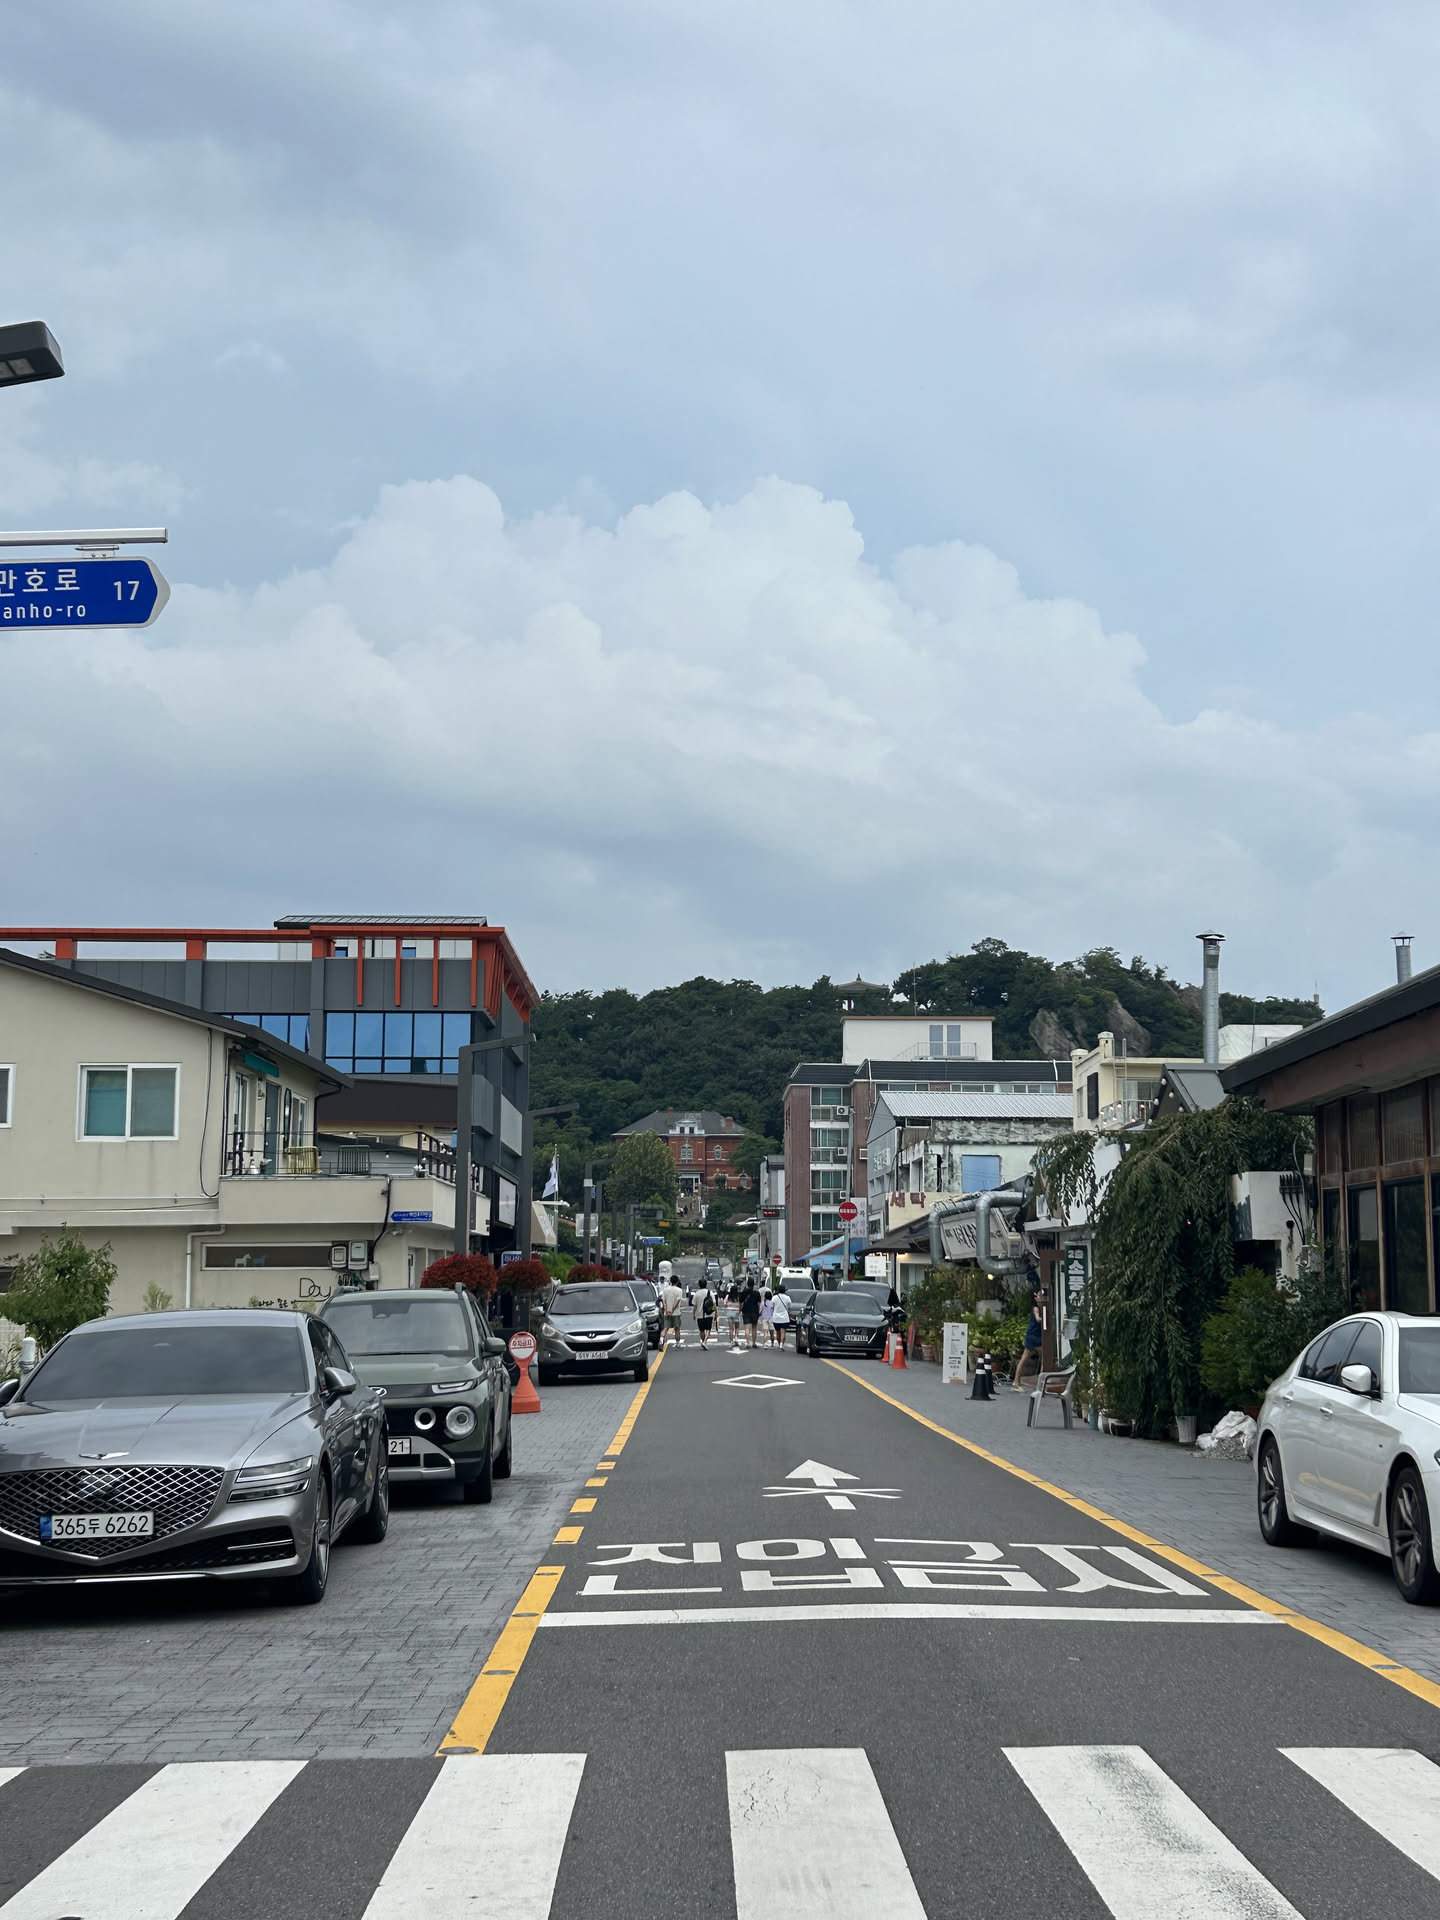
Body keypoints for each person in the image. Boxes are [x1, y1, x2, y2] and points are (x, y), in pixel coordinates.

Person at [1012, 1288, 1045, 1391]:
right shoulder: (1036, 1308)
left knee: (1025, 1358)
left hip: (1035, 1336)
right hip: (1033, 1337)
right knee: (1045, 1355)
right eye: (1040, 1296)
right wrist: (1045, 1318)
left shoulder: (1044, 1308)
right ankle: (1040, 1383)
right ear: (1036, 1298)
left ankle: (1016, 1381)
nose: (1041, 1298)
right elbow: (1038, 1319)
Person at [662, 1274, 685, 1349]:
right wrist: (671, 1310)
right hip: (676, 1313)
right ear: (677, 1281)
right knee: (677, 1328)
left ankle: (661, 1340)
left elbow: (664, 1301)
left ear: (670, 1281)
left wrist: (666, 1310)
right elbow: (677, 1302)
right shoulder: (679, 1290)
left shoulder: (665, 1290)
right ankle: (677, 1343)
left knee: (665, 1328)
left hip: (666, 1313)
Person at [740, 1281, 762, 1348]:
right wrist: (759, 1311)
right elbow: (759, 1304)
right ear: (753, 1285)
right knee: (754, 1328)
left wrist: (740, 1309)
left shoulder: (744, 1292)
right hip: (755, 1312)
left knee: (747, 1328)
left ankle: (748, 1343)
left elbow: (741, 1302)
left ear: (747, 1284)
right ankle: (754, 1343)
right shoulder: (757, 1293)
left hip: (746, 1311)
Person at [771, 1282, 792, 1351]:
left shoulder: (774, 1297)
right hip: (785, 1318)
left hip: (776, 1318)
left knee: (777, 1332)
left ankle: (778, 1343)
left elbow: (772, 1306)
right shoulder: (787, 1298)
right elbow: (790, 1306)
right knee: (783, 1332)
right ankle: (781, 1345)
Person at [695, 1282, 715, 1350]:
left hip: (699, 1314)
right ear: (706, 1284)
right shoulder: (710, 1292)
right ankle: (705, 1342)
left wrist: (694, 1314)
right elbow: (714, 1304)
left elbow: (694, 1305)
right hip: (709, 1314)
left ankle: (703, 1341)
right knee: (708, 1329)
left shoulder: (697, 1293)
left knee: (701, 1330)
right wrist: (716, 1313)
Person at [725, 1283, 742, 1351]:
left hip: (729, 1312)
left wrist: (728, 1305)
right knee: (737, 1327)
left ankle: (731, 1341)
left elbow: (725, 1304)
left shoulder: (728, 1296)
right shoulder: (738, 1296)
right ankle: (736, 1338)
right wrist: (739, 1309)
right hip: (736, 1312)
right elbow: (741, 1304)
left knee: (731, 1329)